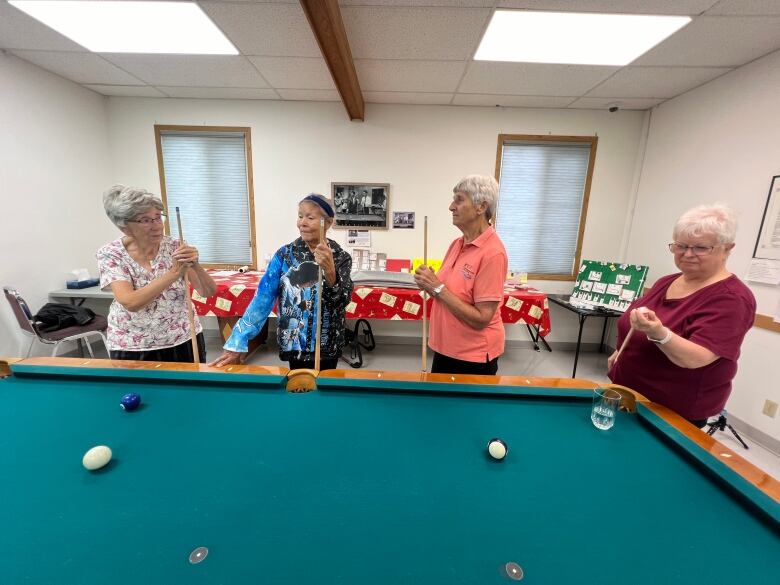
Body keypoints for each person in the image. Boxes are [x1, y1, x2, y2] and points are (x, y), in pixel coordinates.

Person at [608, 204, 756, 427]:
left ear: (727, 248)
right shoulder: (667, 281)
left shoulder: (732, 299)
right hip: (630, 394)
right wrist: (621, 351)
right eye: (680, 246)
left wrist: (658, 333)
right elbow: (633, 325)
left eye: (700, 248)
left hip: (673, 411)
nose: (687, 254)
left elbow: (695, 358)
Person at [208, 194, 353, 370]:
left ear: (327, 223)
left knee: (324, 390)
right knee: (298, 388)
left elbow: (342, 300)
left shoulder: (340, 257)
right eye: (300, 216)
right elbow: (262, 299)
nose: (302, 223)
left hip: (327, 342)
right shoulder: (284, 255)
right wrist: (238, 340)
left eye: (310, 217)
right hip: (294, 341)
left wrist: (330, 271)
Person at [97, 185, 216, 362]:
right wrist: (173, 274)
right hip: (134, 345)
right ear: (125, 227)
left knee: (188, 389)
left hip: (184, 337)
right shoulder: (112, 254)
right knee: (140, 391)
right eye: (145, 220)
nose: (157, 226)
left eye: (158, 217)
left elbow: (208, 292)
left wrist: (196, 265)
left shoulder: (175, 246)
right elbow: (131, 302)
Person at [414, 175, 508, 375]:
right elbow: (448, 293)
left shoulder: (493, 253)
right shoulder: (458, 244)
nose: (451, 206)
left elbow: (481, 318)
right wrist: (430, 284)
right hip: (446, 349)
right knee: (441, 406)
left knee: (466, 407)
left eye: (459, 199)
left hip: (472, 356)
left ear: (481, 207)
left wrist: (437, 288)